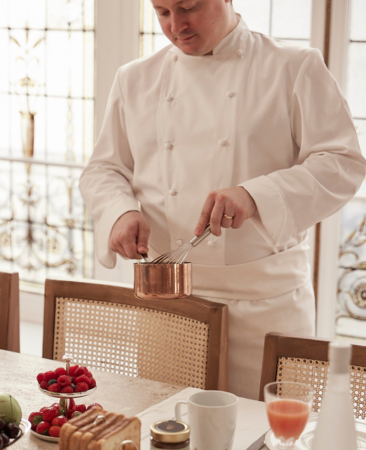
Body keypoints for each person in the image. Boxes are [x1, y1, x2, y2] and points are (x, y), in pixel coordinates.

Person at [79, 0, 366, 399]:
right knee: (167, 437)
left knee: (268, 448)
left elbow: (343, 163)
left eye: (188, 7)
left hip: (266, 306)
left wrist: (256, 194)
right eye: (162, 12)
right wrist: (120, 212)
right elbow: (103, 170)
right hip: (171, 307)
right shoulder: (135, 79)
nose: (176, 26)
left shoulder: (293, 66)